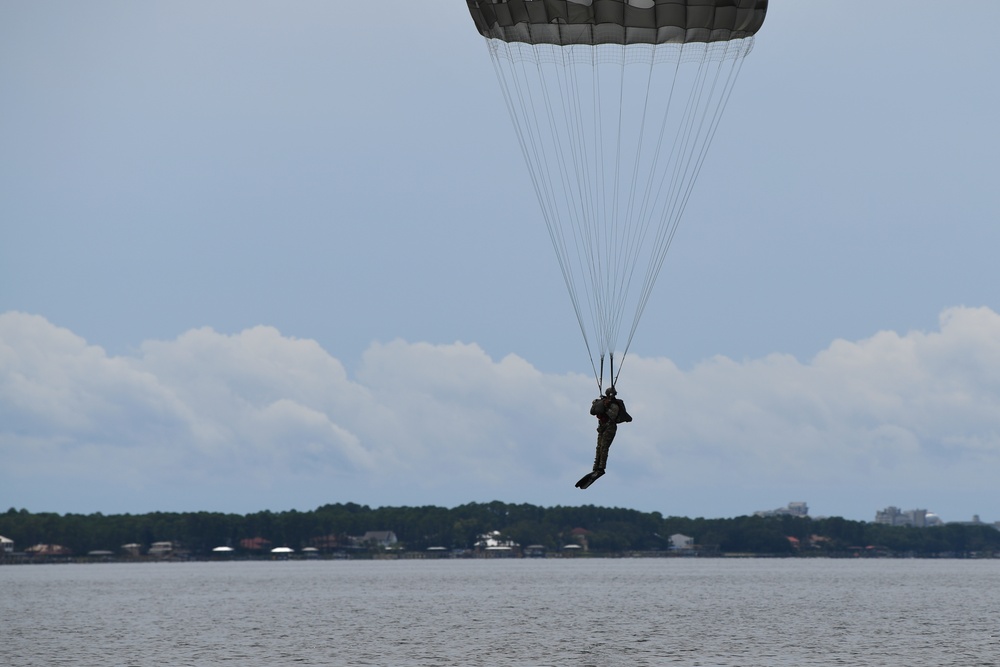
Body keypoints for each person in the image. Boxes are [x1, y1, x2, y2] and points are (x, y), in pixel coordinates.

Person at [588, 385, 632, 475]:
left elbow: (613, 416)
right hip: (602, 428)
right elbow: (593, 412)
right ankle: (595, 466)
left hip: (610, 428)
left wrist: (606, 408)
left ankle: (601, 467)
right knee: (599, 447)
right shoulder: (603, 402)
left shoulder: (614, 405)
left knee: (604, 447)